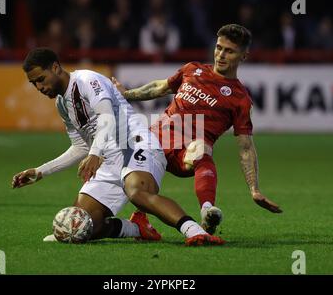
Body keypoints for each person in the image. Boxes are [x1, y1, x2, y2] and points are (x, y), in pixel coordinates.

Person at [12, 48, 224, 246]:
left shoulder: (87, 80)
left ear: (56, 68)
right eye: (34, 84)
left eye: (41, 79)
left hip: (136, 144)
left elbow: (107, 116)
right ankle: (136, 228)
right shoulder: (62, 104)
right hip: (108, 160)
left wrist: (95, 154)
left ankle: (196, 232)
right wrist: (41, 171)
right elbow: (79, 146)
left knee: (136, 192)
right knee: (80, 228)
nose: (39, 87)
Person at [113, 24, 282, 235]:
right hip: (154, 142)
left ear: (243, 56)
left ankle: (207, 211)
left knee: (201, 148)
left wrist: (254, 189)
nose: (221, 55)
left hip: (186, 154)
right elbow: (161, 87)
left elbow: (246, 147)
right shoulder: (193, 69)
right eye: (219, 47)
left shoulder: (240, 99)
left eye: (229, 51)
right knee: (115, 159)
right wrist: (126, 94)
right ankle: (138, 220)